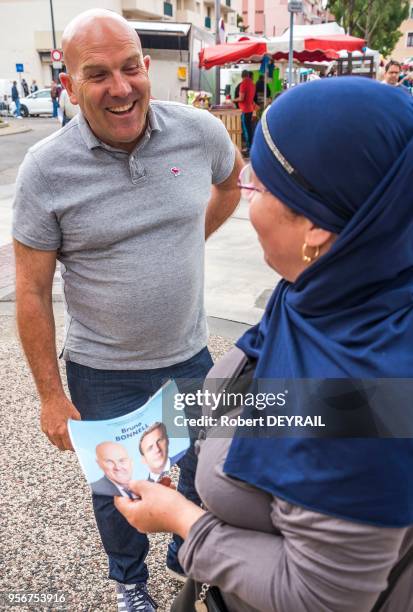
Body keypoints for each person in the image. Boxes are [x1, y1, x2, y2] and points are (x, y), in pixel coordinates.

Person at [115, 77, 413, 612]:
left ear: (316, 226)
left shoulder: (363, 391)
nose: (244, 189)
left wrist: (182, 520)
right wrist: (164, 426)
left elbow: (322, 595)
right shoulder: (342, 282)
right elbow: (267, 386)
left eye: (262, 186)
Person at [13, 8, 242, 611]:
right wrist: (49, 396)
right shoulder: (45, 169)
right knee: (118, 488)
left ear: (146, 66)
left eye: (130, 67)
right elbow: (32, 291)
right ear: (67, 83)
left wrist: (193, 237)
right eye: (97, 75)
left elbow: (230, 181)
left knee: (195, 471)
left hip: (190, 354)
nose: (120, 88)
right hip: (102, 370)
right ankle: (129, 583)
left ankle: (184, 549)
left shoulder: (198, 132)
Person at [233, 70, 256, 155]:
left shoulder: (243, 84)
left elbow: (241, 98)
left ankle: (249, 149)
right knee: (249, 129)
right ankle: (251, 147)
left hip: (244, 109)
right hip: (250, 109)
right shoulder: (252, 84)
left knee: (246, 130)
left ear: (242, 76)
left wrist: (233, 100)